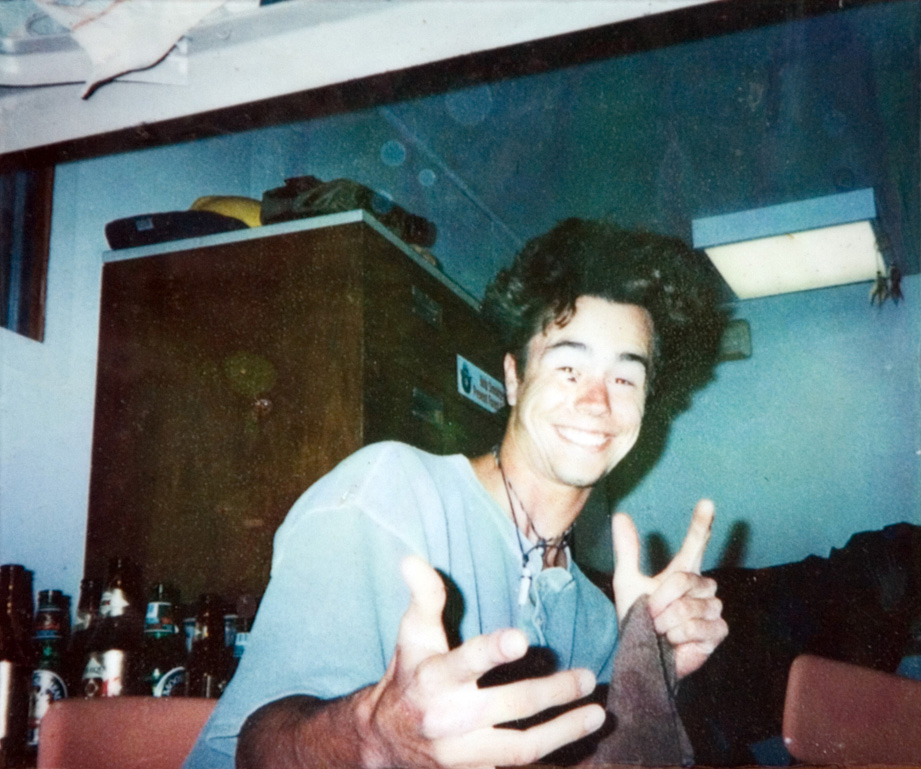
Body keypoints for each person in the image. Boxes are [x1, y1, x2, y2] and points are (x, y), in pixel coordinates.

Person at [183, 218, 730, 769]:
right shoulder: (389, 493)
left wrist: (651, 662)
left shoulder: (592, 614)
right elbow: (249, 747)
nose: (596, 401)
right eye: (568, 366)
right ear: (514, 379)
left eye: (625, 378)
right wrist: (374, 738)